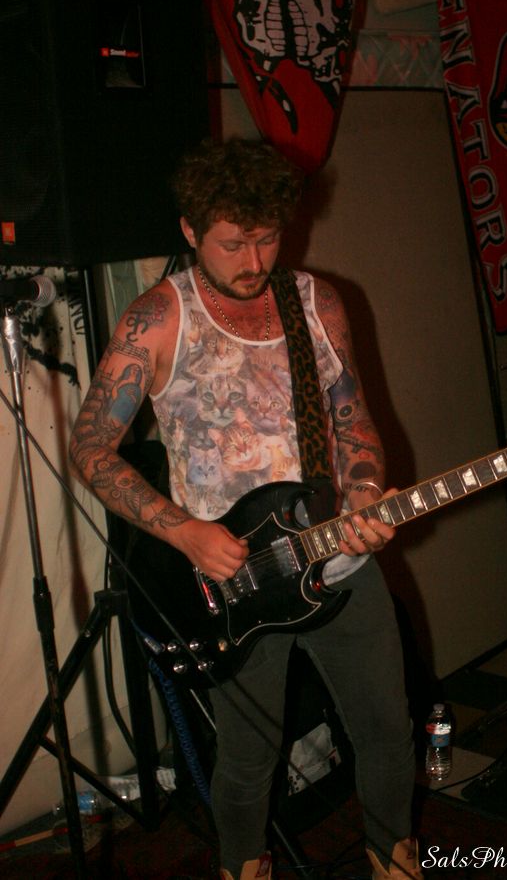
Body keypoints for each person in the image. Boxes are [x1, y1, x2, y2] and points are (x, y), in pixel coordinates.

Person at [69, 137, 421, 880]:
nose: (254, 260)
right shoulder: (157, 319)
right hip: (233, 580)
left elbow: (353, 419)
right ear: (191, 230)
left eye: (268, 238)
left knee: (389, 731)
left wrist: (364, 491)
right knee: (248, 758)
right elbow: (91, 448)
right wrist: (185, 533)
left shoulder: (317, 302)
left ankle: (395, 864)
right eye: (233, 243)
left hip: (338, 559)